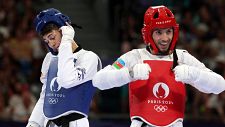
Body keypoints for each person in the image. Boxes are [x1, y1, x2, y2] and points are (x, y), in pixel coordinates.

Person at [92, 5, 225, 127]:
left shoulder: (183, 58)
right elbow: (99, 81)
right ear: (148, 34)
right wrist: (129, 73)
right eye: (159, 32)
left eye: (168, 31)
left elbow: (220, 85)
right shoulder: (135, 57)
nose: (165, 38)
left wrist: (195, 75)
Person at [26, 8, 102, 127]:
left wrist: (66, 40)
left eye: (52, 37)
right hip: (50, 123)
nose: (51, 44)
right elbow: (45, 96)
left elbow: (66, 80)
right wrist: (34, 123)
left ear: (65, 30)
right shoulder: (49, 59)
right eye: (46, 41)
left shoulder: (89, 58)